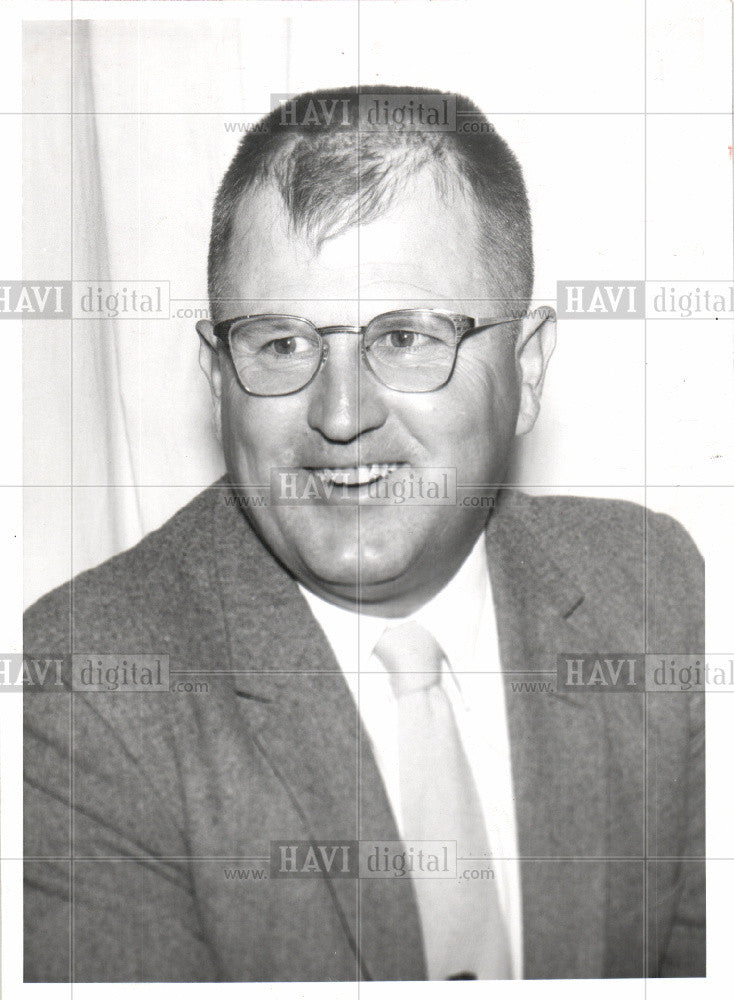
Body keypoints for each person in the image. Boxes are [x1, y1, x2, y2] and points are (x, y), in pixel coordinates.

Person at [24, 85, 704, 982]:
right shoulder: (82, 689)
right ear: (217, 374)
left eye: (408, 337)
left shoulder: (656, 589)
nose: (341, 414)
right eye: (279, 345)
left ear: (527, 368)